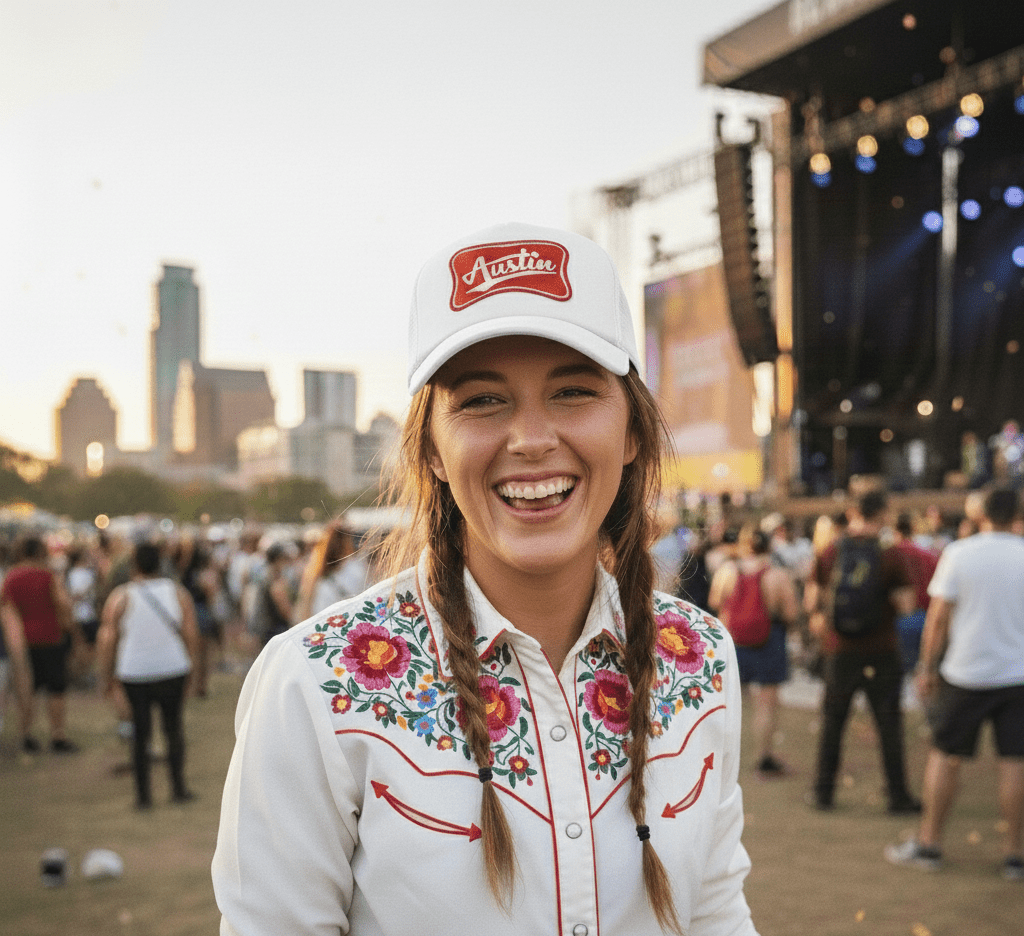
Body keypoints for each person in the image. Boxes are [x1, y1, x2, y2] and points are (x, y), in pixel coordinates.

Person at [213, 222, 759, 935]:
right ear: (433, 450)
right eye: (481, 400)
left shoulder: (702, 654)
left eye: (572, 391)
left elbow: (716, 910)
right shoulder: (314, 684)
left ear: (632, 433)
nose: (531, 439)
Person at [886, 487, 1024, 880]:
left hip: (966, 673)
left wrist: (927, 667)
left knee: (945, 756)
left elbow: (938, 618)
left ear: (981, 514)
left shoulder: (961, 553)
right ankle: (1015, 855)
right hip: (1017, 675)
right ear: (1016, 512)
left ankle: (929, 843)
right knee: (1015, 762)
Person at [804, 490, 919, 813]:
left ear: (855, 513)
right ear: (882, 513)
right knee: (888, 724)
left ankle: (823, 791)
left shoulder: (830, 551)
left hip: (840, 651)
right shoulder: (891, 553)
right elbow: (906, 605)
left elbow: (812, 603)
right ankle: (898, 796)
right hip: (882, 650)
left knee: (833, 722)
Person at [96, 542, 200, 809]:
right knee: (173, 728)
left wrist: (107, 676)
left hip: (135, 672)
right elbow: (191, 634)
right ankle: (178, 788)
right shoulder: (177, 593)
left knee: (140, 734)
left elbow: (108, 639)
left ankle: (143, 797)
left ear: (134, 565)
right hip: (173, 668)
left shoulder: (121, 596)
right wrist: (194, 670)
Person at [709, 527, 799, 777]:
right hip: (768, 642)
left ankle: (722, 757)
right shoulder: (777, 575)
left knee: (727, 703)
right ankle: (763, 757)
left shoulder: (727, 571)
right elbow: (791, 612)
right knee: (766, 705)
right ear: (768, 546)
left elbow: (716, 602)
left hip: (733, 643)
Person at [0, 535, 83, 753]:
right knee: (56, 689)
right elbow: (63, 605)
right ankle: (57, 735)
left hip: (23, 644)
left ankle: (26, 734)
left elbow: (6, 608)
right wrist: (71, 632)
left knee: (27, 690)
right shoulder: (48, 576)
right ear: (40, 551)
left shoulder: (11, 576)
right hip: (50, 638)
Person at [890, 513, 939, 675]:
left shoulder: (889, 555)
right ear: (913, 529)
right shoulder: (928, 555)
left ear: (893, 530)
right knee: (922, 670)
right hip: (925, 617)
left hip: (895, 620)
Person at [293, 520, 369, 622]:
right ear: (347, 541)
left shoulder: (315, 569)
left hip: (321, 625)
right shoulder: (356, 567)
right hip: (349, 624)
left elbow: (305, 605)